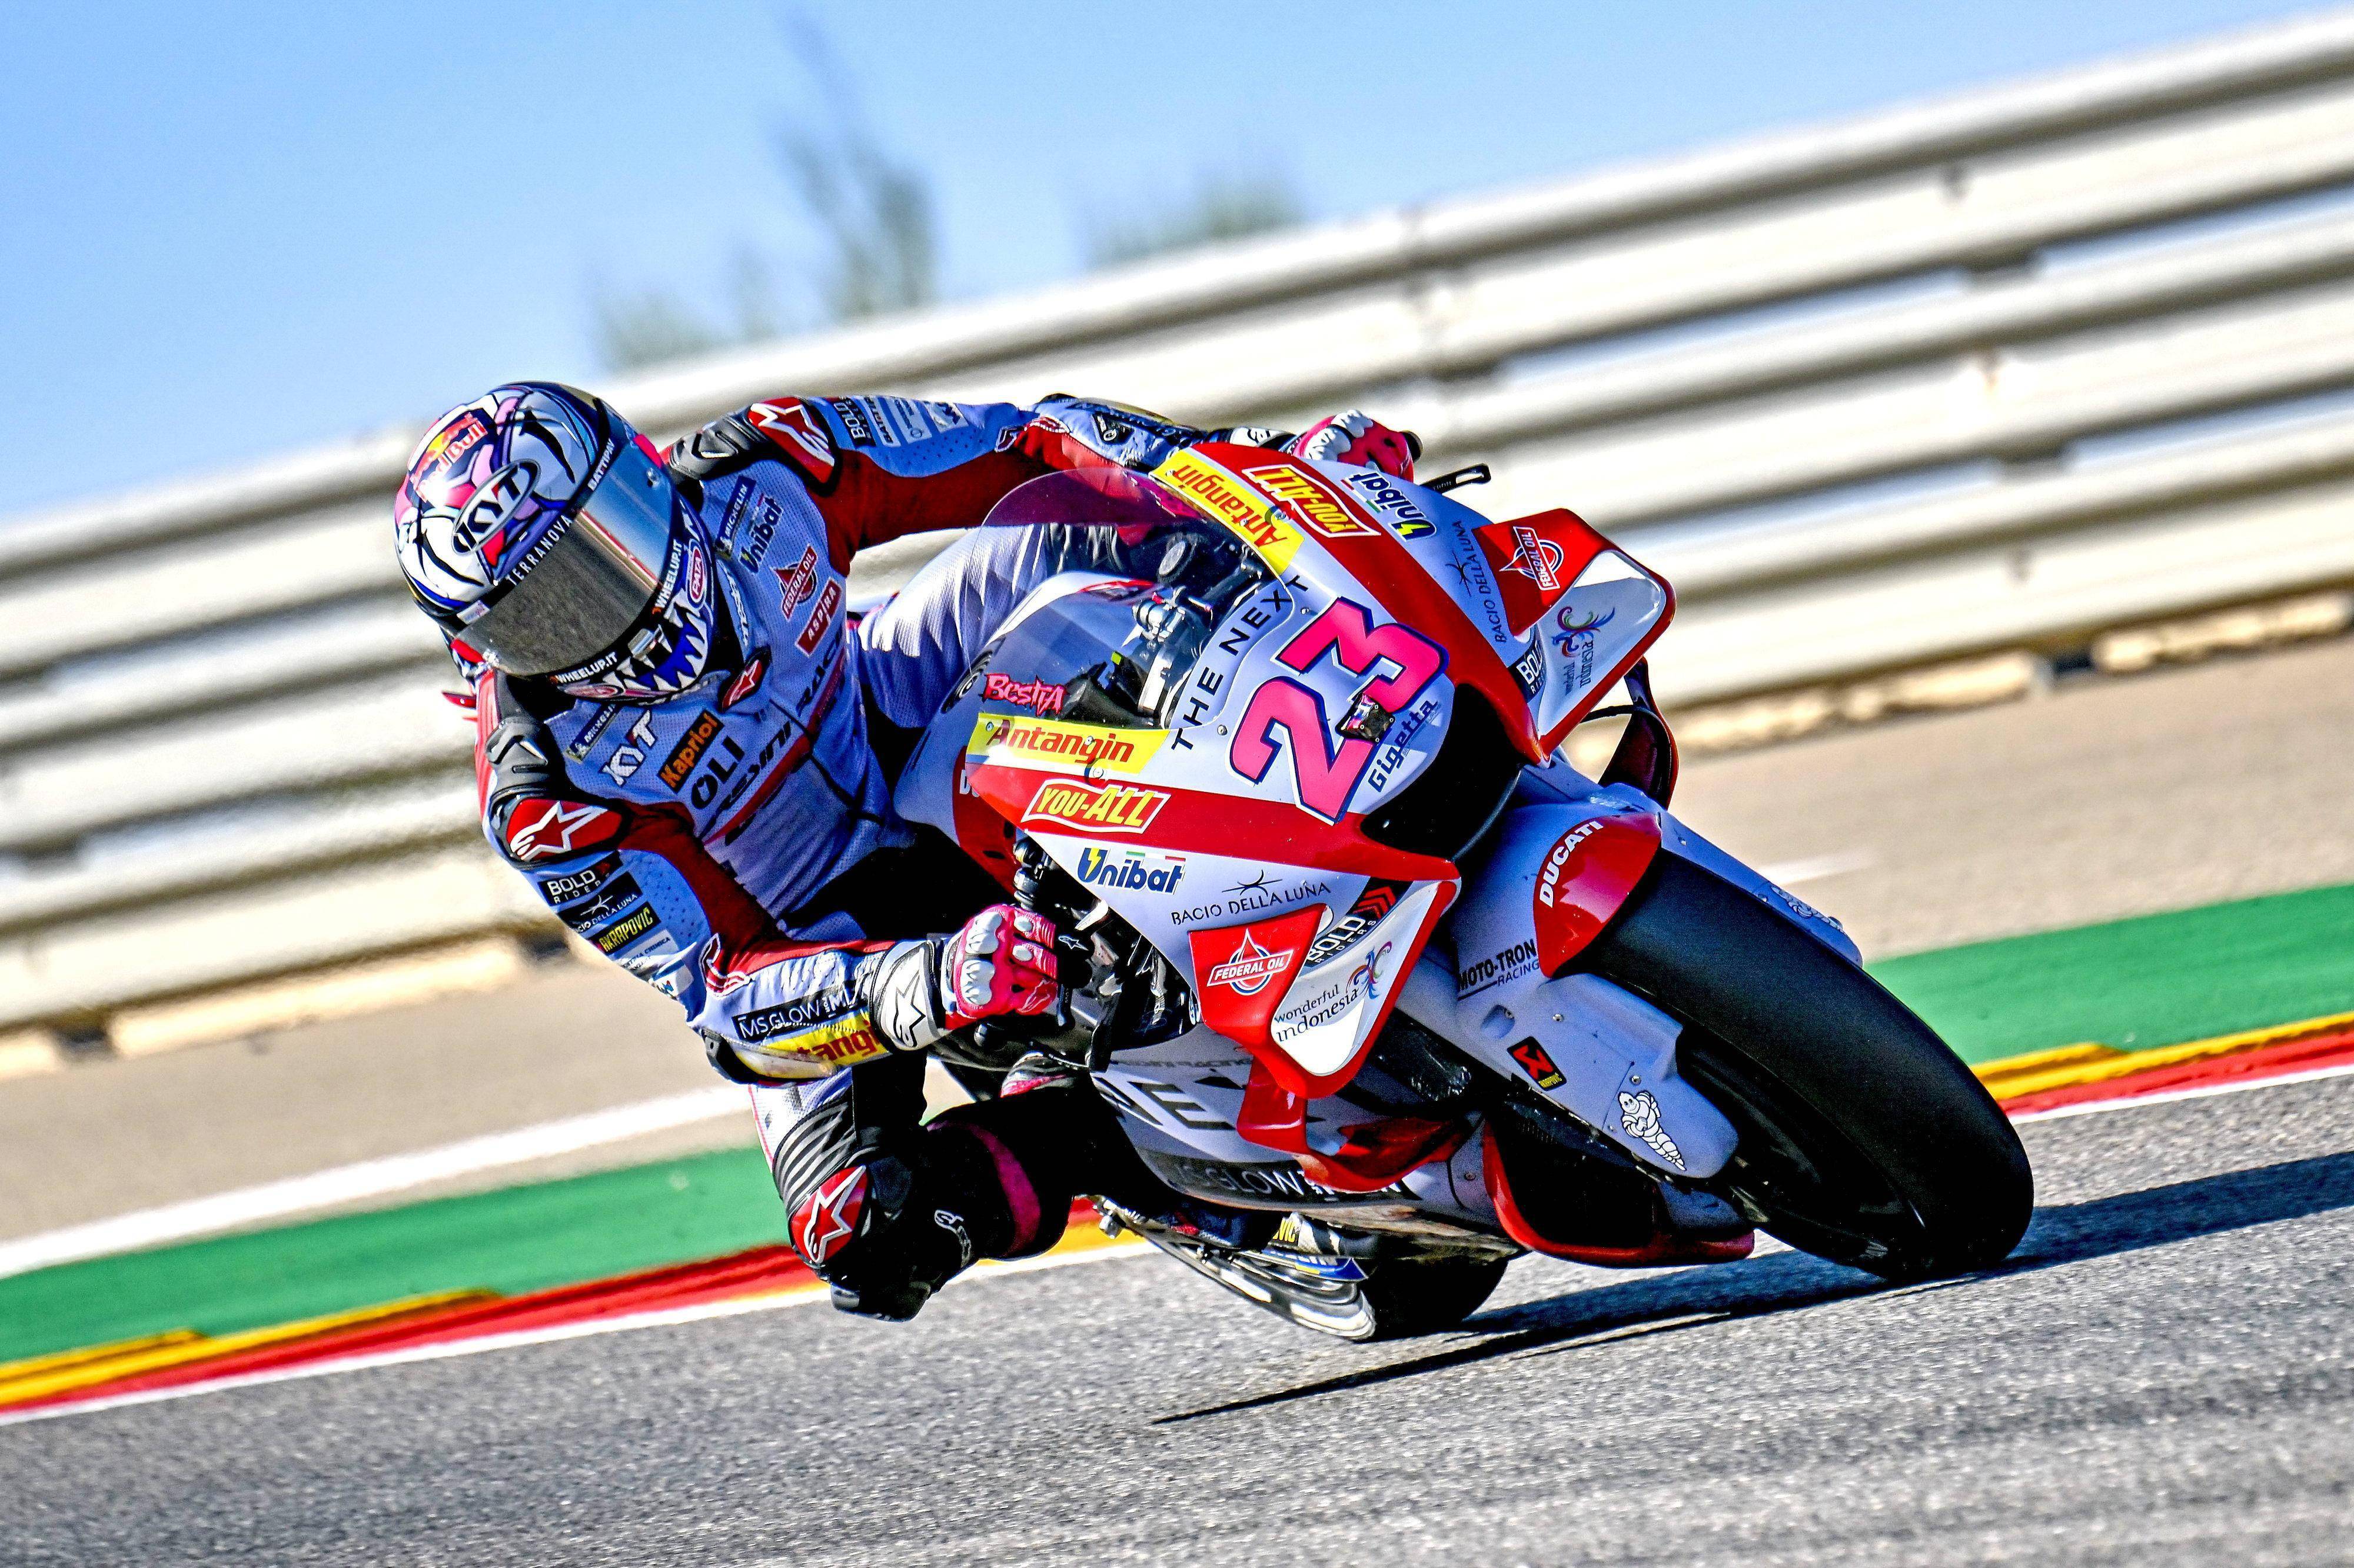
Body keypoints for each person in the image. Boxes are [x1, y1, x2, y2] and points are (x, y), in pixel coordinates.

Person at [392, 382, 1417, 1320]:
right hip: (818, 928)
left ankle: (1360, 701)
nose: (604, 605)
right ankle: (1096, 1136)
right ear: (483, 652)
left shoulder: (776, 462)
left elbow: (1026, 443)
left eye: (603, 543)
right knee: (862, 1233)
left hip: (896, 698)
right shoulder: (549, 795)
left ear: (647, 473)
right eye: (544, 617)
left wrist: (1267, 473)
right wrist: (927, 982)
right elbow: (731, 997)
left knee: (1083, 526)